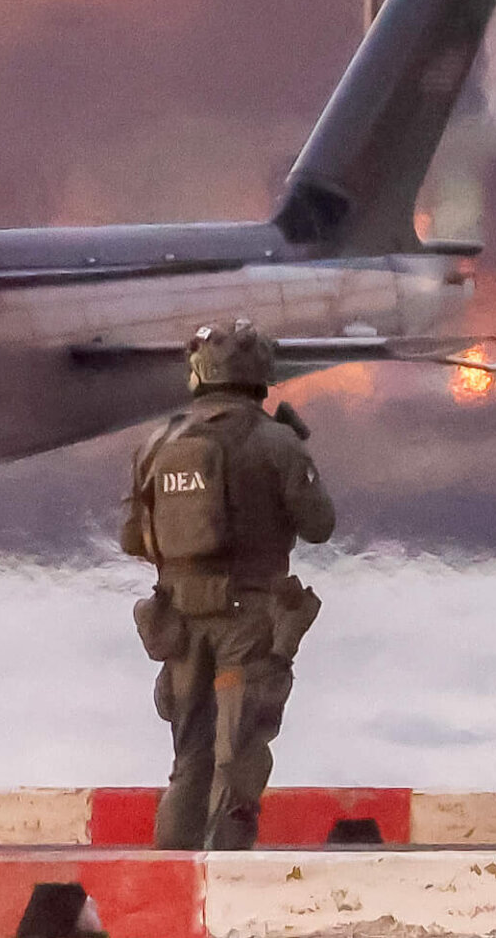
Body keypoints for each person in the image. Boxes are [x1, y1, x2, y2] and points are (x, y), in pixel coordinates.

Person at [122, 320, 333, 850]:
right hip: (247, 620)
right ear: (260, 374)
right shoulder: (276, 441)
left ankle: (172, 885)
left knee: (188, 758)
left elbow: (133, 539)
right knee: (237, 754)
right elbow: (319, 526)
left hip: (178, 624)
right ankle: (228, 882)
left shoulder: (157, 442)